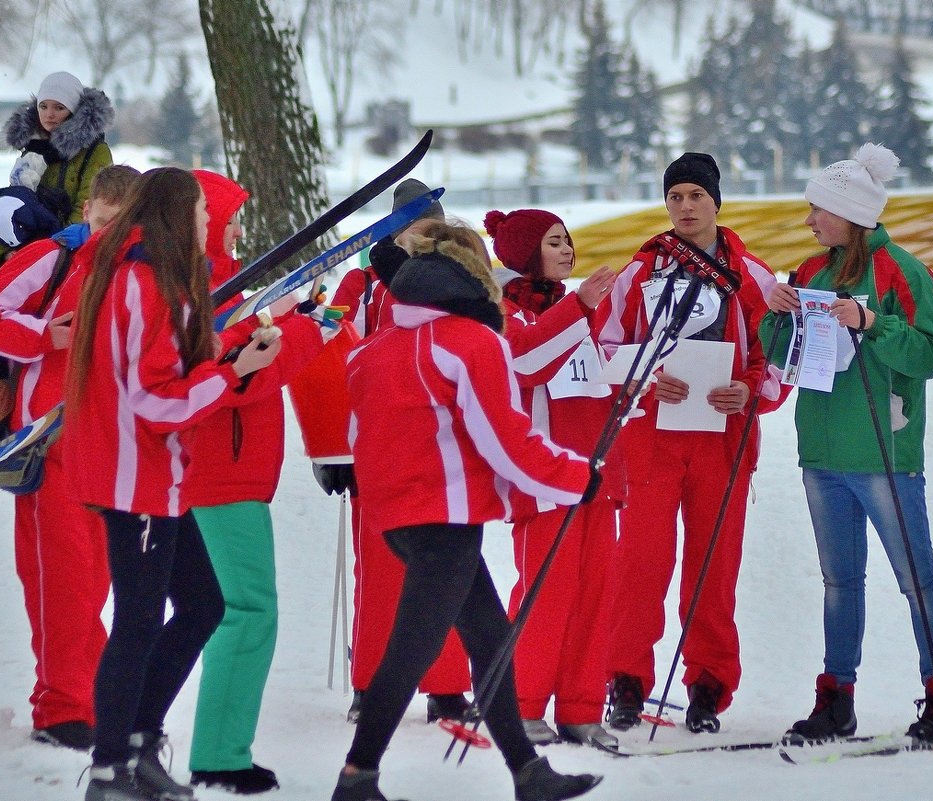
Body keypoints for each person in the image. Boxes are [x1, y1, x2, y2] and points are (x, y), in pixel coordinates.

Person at [331, 223, 602, 801]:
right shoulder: (471, 343)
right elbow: (506, 440)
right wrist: (577, 478)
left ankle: (528, 772)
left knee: (488, 639)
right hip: (444, 518)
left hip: (400, 516)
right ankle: (357, 776)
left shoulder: (372, 349)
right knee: (414, 649)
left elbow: (358, 435)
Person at [62, 167, 282, 801]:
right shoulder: (149, 284)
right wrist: (233, 371)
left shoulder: (135, 276)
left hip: (150, 476)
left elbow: (158, 374)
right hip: (139, 478)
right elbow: (154, 403)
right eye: (205, 216)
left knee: (203, 604)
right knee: (137, 620)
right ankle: (111, 767)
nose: (212, 226)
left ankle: (135, 744)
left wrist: (220, 357)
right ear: (181, 216)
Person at [761, 143, 933, 745]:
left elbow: (928, 355)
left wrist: (872, 323)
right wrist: (775, 315)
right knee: (839, 582)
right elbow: (780, 356)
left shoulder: (903, 269)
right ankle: (836, 698)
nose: (810, 221)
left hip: (884, 453)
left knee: (916, 577)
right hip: (822, 454)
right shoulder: (811, 273)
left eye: (819, 209)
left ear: (850, 213)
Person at [0, 164, 141, 751]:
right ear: (88, 209)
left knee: (95, 581)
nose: (109, 232)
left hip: (109, 446)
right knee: (58, 581)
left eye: (123, 223)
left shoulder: (141, 272)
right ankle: (62, 707)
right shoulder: (53, 258)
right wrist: (45, 336)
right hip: (46, 442)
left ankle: (90, 697)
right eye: (102, 219)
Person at [597, 152, 777, 734]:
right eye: (675, 197)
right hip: (653, 439)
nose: (685, 206)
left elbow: (777, 357)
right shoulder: (640, 271)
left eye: (696, 196)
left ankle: (707, 685)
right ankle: (626, 681)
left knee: (713, 570)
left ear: (716, 202)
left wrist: (749, 391)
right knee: (640, 565)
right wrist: (645, 376)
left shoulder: (752, 275)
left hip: (722, 441)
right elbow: (606, 349)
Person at [183, 169, 331, 794]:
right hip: (221, 470)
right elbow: (239, 378)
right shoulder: (205, 285)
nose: (240, 228)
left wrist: (291, 322)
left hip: (229, 469)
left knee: (218, 610)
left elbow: (247, 353)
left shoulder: (218, 281)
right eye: (231, 216)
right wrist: (305, 336)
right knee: (247, 610)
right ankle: (219, 754)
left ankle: (208, 746)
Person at [326, 178, 476, 726]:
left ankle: (447, 683)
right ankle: (371, 681)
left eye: (430, 231)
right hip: (379, 440)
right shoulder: (362, 284)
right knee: (380, 570)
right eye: (412, 229)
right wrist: (334, 448)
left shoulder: (459, 282)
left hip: (441, 441)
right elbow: (335, 350)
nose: (421, 240)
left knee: (448, 569)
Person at [482, 208, 621, 750]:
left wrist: (636, 383)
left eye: (568, 240)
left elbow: (592, 380)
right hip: (543, 474)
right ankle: (522, 703)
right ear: (524, 251)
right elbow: (524, 364)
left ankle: (583, 706)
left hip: (594, 470)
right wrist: (581, 309)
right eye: (553, 241)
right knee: (547, 591)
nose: (566, 250)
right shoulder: (502, 309)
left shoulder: (571, 307)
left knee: (594, 592)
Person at [0, 71, 114, 264]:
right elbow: (10, 206)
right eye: (43, 106)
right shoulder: (32, 150)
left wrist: (55, 249)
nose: (49, 114)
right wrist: (7, 252)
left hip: (70, 256)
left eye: (59, 107)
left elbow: (90, 207)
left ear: (74, 110)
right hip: (28, 256)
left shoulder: (95, 152)